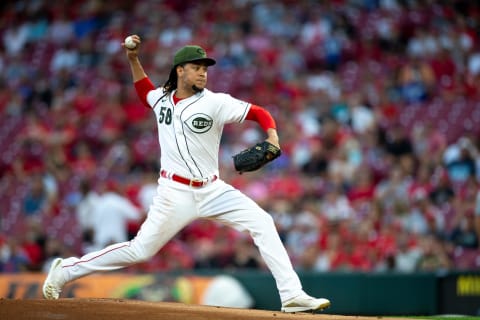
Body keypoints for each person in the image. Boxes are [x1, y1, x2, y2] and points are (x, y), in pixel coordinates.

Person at [42, 34, 331, 313]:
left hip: (213, 190)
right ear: (180, 70)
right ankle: (64, 270)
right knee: (140, 251)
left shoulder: (216, 102)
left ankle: (292, 295)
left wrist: (273, 137)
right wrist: (133, 59)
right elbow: (145, 92)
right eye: (196, 67)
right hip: (174, 193)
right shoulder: (162, 99)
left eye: (205, 68)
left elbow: (259, 112)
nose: (203, 73)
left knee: (263, 222)